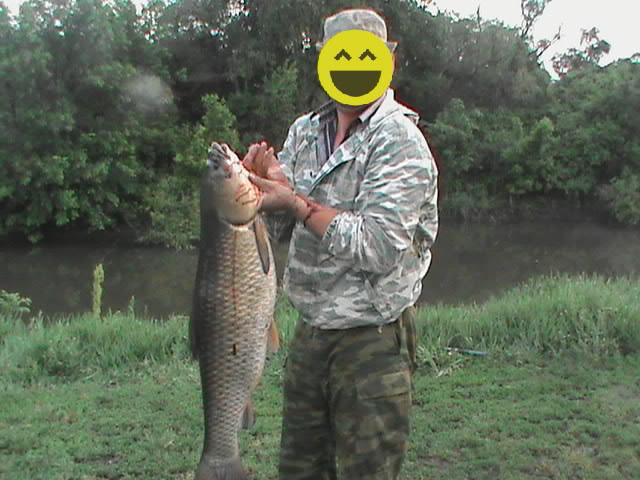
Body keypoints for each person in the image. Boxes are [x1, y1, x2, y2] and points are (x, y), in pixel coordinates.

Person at [243, 8, 438, 480]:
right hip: (311, 331)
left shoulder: (400, 140)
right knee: (299, 469)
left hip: (372, 336)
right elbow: (285, 224)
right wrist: (261, 186)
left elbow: (378, 248)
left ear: (387, 60)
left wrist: (296, 204)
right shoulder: (305, 131)